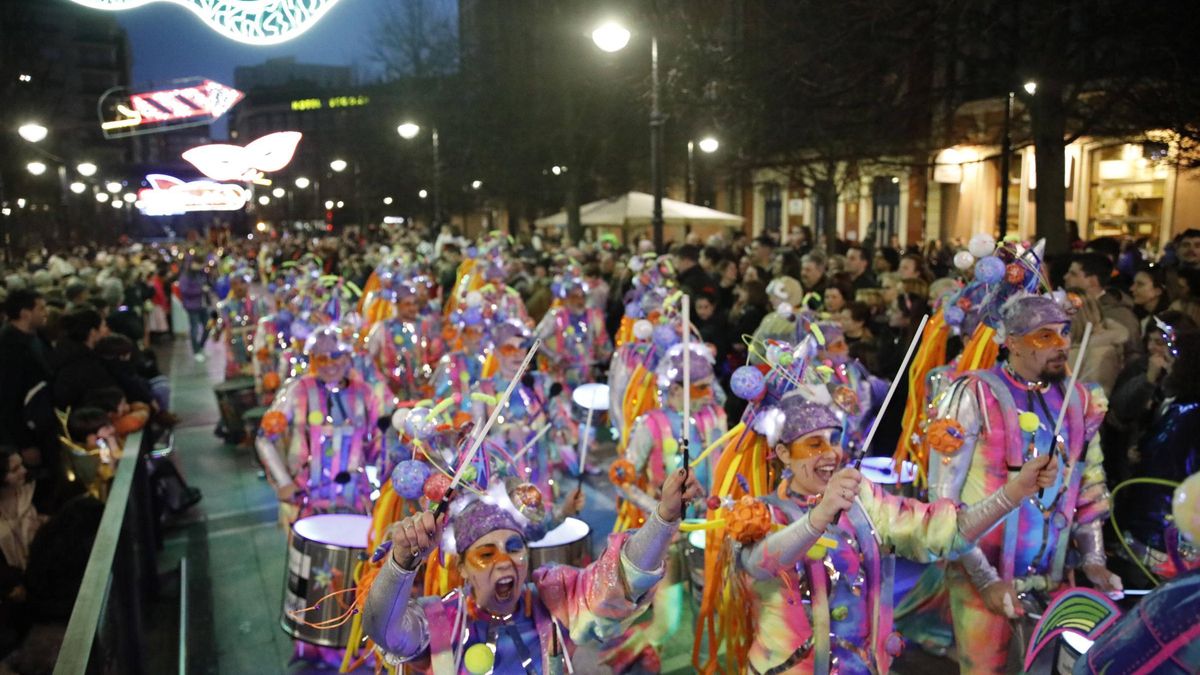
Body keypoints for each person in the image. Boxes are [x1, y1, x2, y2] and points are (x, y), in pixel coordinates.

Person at [726, 393, 1056, 675]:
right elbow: (759, 564)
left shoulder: (863, 499)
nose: (831, 454)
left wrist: (1014, 492)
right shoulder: (762, 513)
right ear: (783, 453)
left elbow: (940, 531)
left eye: (834, 441)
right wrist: (819, 515)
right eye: (814, 444)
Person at [910, 293, 1120, 675]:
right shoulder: (973, 394)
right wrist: (986, 580)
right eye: (1044, 336)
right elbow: (943, 503)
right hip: (979, 579)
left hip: (1054, 583)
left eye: (1063, 332)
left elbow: (1089, 486)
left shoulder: (1080, 400)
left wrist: (1094, 559)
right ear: (1012, 342)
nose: (1061, 344)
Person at [362, 468, 705, 674]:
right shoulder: (441, 621)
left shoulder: (554, 600)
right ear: (463, 569)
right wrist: (401, 564)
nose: (505, 561)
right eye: (486, 553)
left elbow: (620, 579)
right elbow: (384, 631)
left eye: (515, 549)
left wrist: (664, 517)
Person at [256, 327, 381, 524]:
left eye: (336, 356)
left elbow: (378, 443)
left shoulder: (365, 393)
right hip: (307, 503)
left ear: (348, 356)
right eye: (322, 358)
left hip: (356, 503)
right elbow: (264, 438)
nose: (330, 364)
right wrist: (285, 482)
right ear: (313, 359)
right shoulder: (298, 390)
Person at [1064, 252, 1143, 362]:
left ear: (1092, 281)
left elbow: (1133, 355)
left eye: (1073, 274)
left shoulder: (1119, 314)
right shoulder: (1073, 307)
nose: (1065, 277)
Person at [177, 257, 211, 362]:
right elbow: (184, 291)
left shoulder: (200, 274)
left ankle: (200, 346)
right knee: (194, 329)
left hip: (203, 305)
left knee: (208, 326)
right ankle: (196, 351)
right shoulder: (185, 276)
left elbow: (207, 283)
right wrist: (200, 290)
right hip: (192, 306)